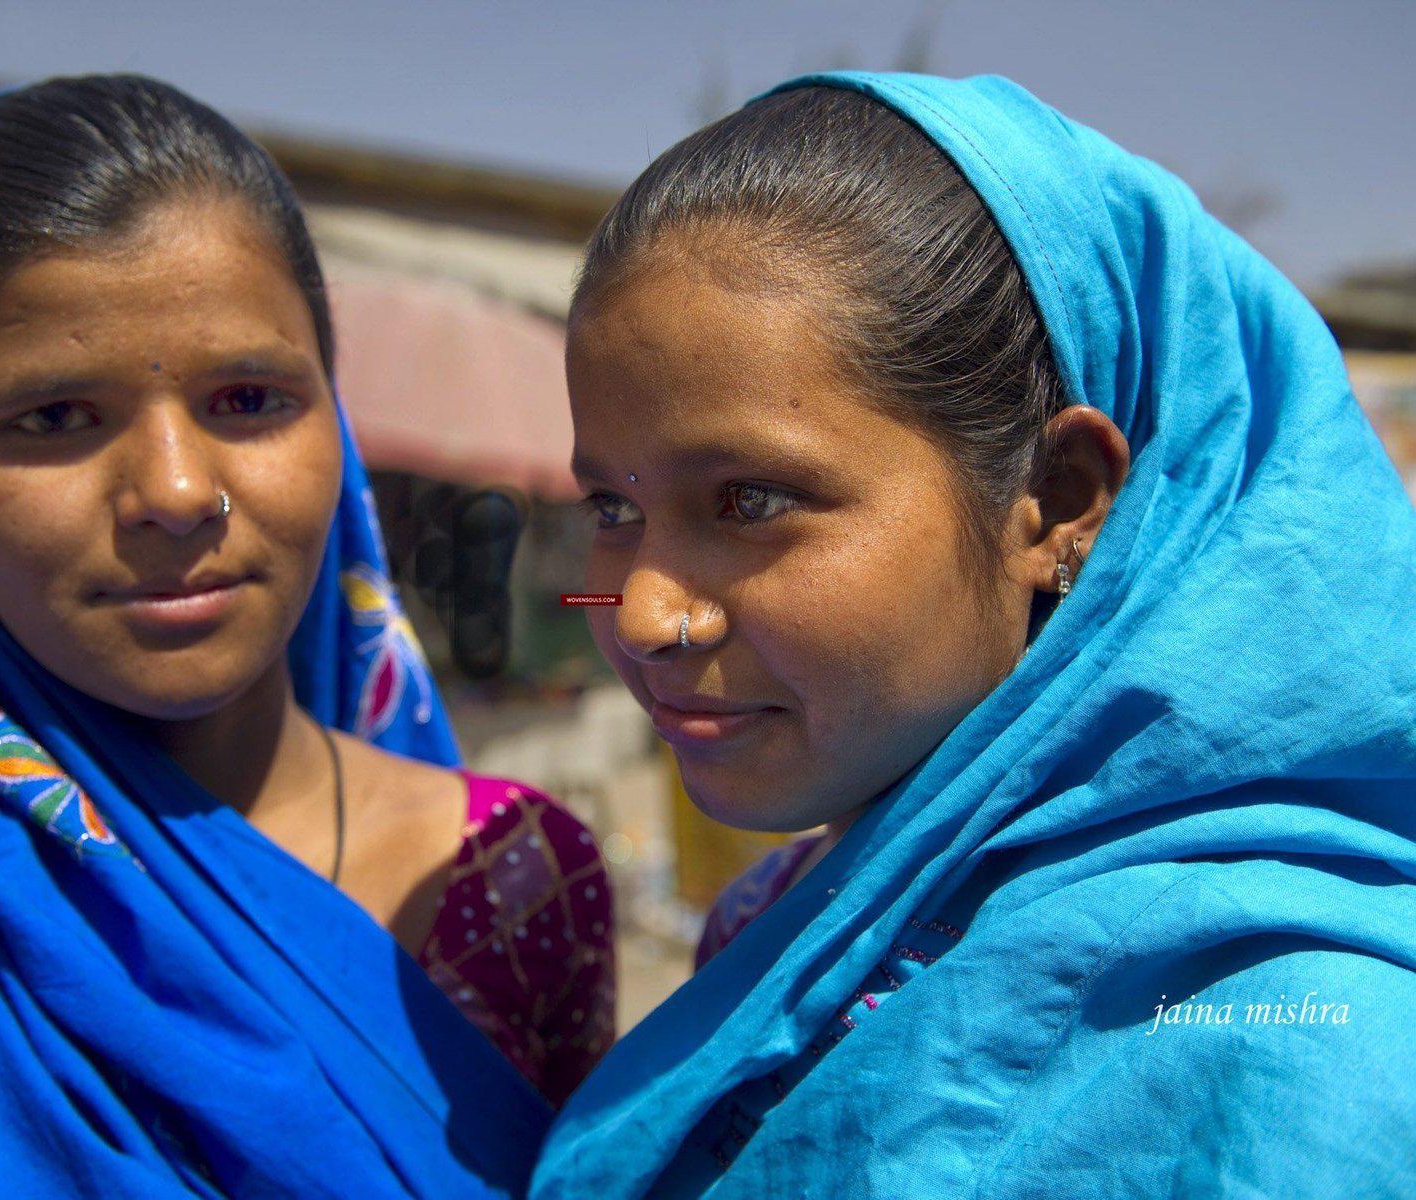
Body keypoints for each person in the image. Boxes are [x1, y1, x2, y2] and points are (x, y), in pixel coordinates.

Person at [535, 72, 1416, 1198]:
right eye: (612, 509)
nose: (647, 617)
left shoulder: (1297, 1051)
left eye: (748, 501)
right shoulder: (796, 919)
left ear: (1055, 500)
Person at [0, 75, 613, 1198]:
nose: (174, 492)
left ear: (335, 419)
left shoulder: (510, 884)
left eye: (249, 399)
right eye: (55, 417)